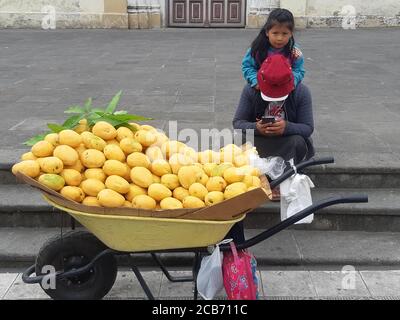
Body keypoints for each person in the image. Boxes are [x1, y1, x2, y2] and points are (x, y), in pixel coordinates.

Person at [226, 54, 315, 245]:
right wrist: (256, 128)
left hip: (287, 141)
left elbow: (308, 127)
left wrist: (287, 127)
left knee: (299, 142)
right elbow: (238, 123)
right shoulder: (250, 91)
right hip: (260, 141)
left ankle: (279, 181)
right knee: (239, 142)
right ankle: (265, 180)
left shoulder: (301, 92)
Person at [242, 8, 305, 91]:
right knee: (248, 90)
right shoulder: (257, 49)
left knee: (302, 90)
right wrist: (256, 81)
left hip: (286, 89)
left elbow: (298, 70)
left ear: (291, 33)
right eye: (275, 33)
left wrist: (292, 82)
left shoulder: (295, 52)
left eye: (284, 33)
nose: (279, 38)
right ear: (267, 32)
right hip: (261, 88)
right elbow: (248, 67)